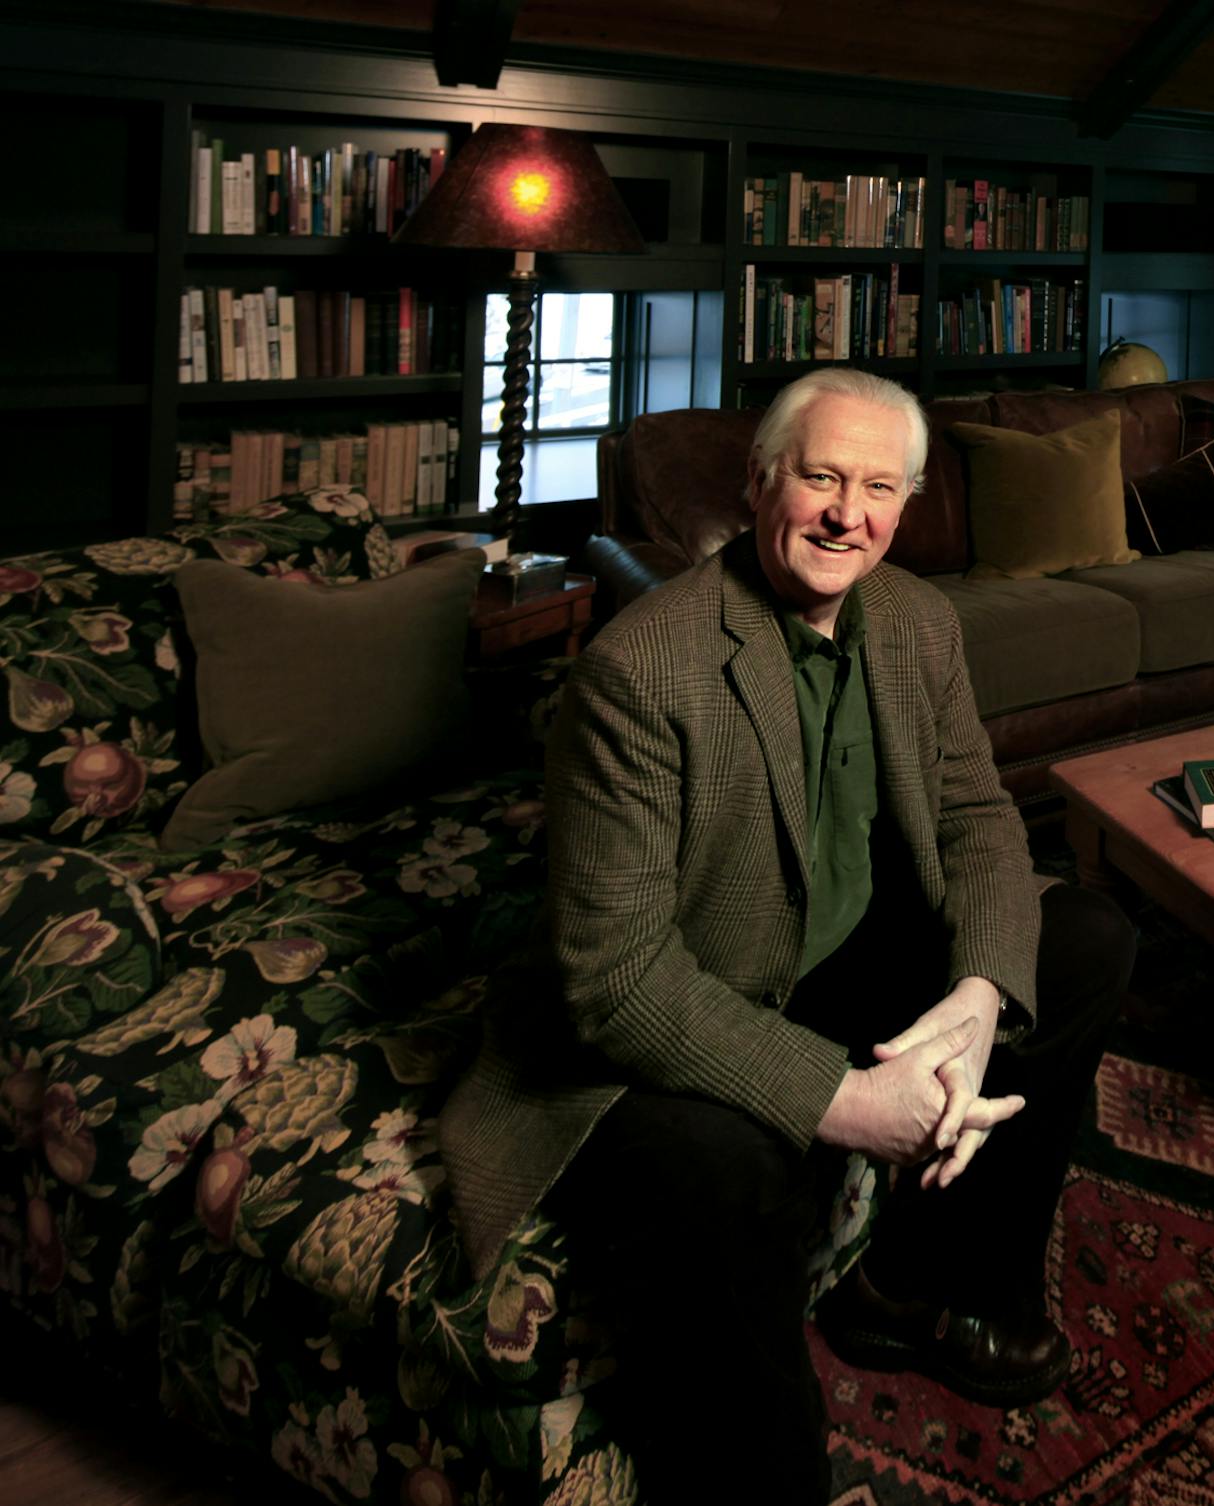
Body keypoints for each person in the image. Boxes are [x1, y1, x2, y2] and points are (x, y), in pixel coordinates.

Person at [439, 367, 1135, 1503]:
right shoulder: (639, 670)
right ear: (761, 482)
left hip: (834, 946)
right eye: (821, 478)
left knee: (1083, 941)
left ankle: (923, 1289)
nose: (846, 515)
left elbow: (976, 818)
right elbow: (617, 983)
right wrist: (847, 1102)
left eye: (878, 488)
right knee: (726, 1171)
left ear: (906, 505)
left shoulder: (916, 620)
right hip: (679, 1002)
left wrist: (975, 1002)